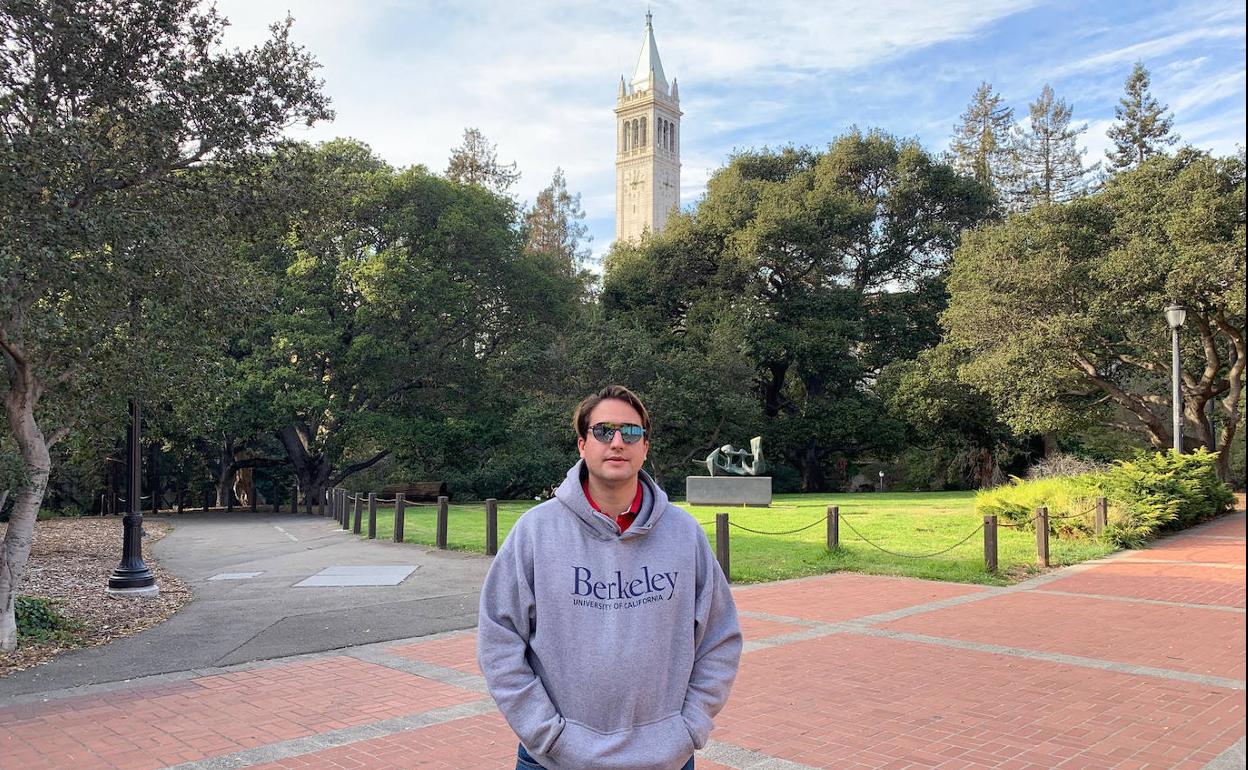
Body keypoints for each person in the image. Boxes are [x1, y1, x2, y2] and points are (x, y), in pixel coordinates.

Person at [478, 385, 742, 770]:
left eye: (631, 432)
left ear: (645, 447)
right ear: (583, 445)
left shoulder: (684, 534)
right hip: (553, 759)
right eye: (603, 431)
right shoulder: (535, 531)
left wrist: (689, 726)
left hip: (665, 757)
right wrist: (547, 734)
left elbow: (720, 638)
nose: (617, 442)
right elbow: (498, 639)